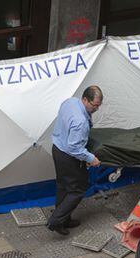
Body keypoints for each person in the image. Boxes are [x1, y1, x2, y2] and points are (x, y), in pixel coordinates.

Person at [47, 86, 103, 235]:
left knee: (63, 186)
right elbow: (74, 148)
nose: (96, 109)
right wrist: (91, 158)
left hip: (57, 149)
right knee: (78, 189)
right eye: (94, 105)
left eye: (98, 105)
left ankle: (64, 219)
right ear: (85, 99)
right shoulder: (80, 122)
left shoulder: (70, 102)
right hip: (68, 155)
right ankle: (56, 221)